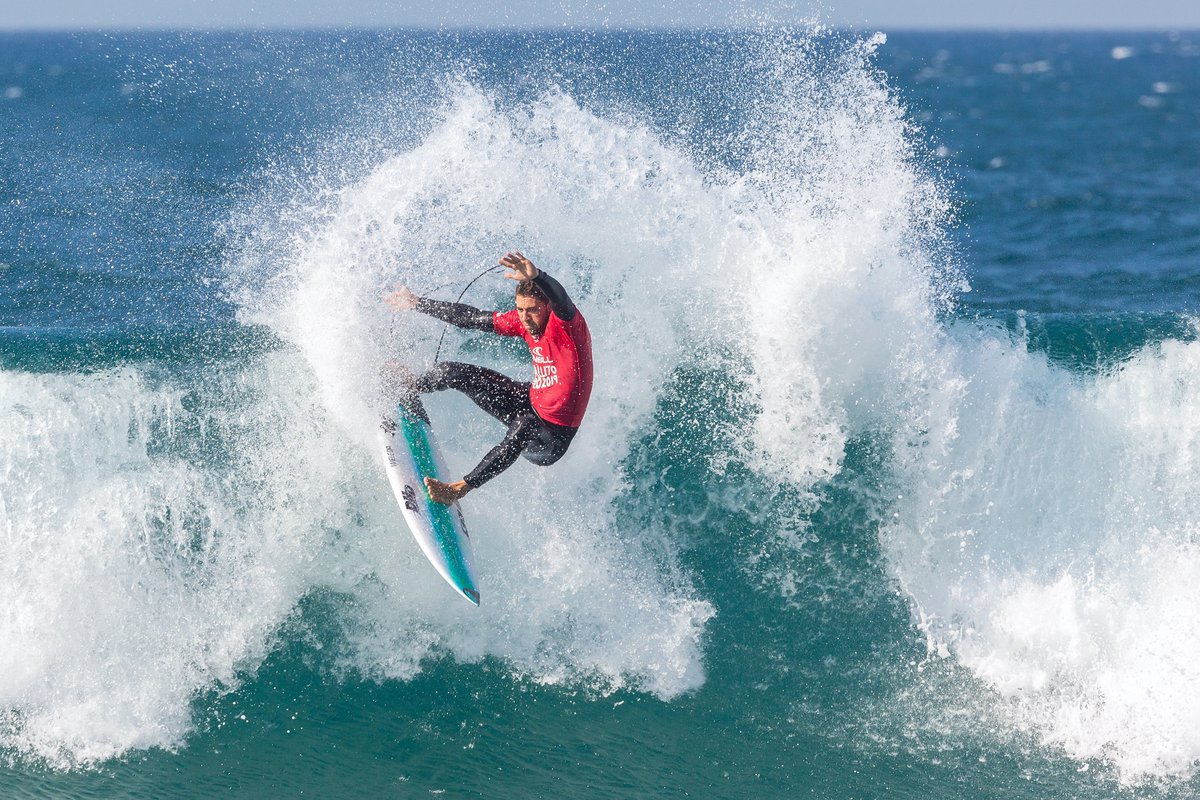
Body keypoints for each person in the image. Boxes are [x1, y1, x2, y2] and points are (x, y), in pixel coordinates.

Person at [384, 251, 593, 505]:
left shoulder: (568, 328)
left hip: (551, 438)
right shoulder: (522, 321)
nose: (525, 318)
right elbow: (470, 318)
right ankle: (412, 385)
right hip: (531, 401)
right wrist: (417, 302)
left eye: (533, 310)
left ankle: (459, 489)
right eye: (520, 309)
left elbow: (563, 300)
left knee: (525, 424)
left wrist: (539, 277)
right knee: (453, 371)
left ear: (548, 306)